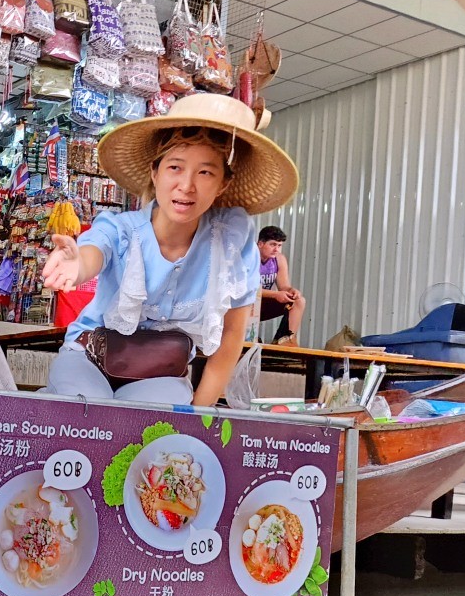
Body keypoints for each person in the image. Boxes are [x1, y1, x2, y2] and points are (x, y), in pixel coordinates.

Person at [40, 93, 299, 407]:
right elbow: (94, 251)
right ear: (155, 171)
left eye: (205, 172)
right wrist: (76, 263)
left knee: (157, 424)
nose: (187, 185)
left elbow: (232, 336)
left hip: (162, 375)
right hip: (88, 358)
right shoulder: (123, 229)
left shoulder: (231, 239)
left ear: (223, 184)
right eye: (175, 167)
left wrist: (196, 416)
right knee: (88, 412)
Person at [256, 225, 306, 346]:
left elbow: (283, 287)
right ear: (260, 244)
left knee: (299, 301)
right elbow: (247, 290)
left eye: (279, 246)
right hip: (246, 303)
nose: (276, 249)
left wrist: (292, 290)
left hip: (264, 302)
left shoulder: (279, 259)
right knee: (251, 300)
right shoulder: (251, 257)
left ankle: (286, 339)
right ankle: (246, 336)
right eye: (272, 244)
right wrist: (275, 294)